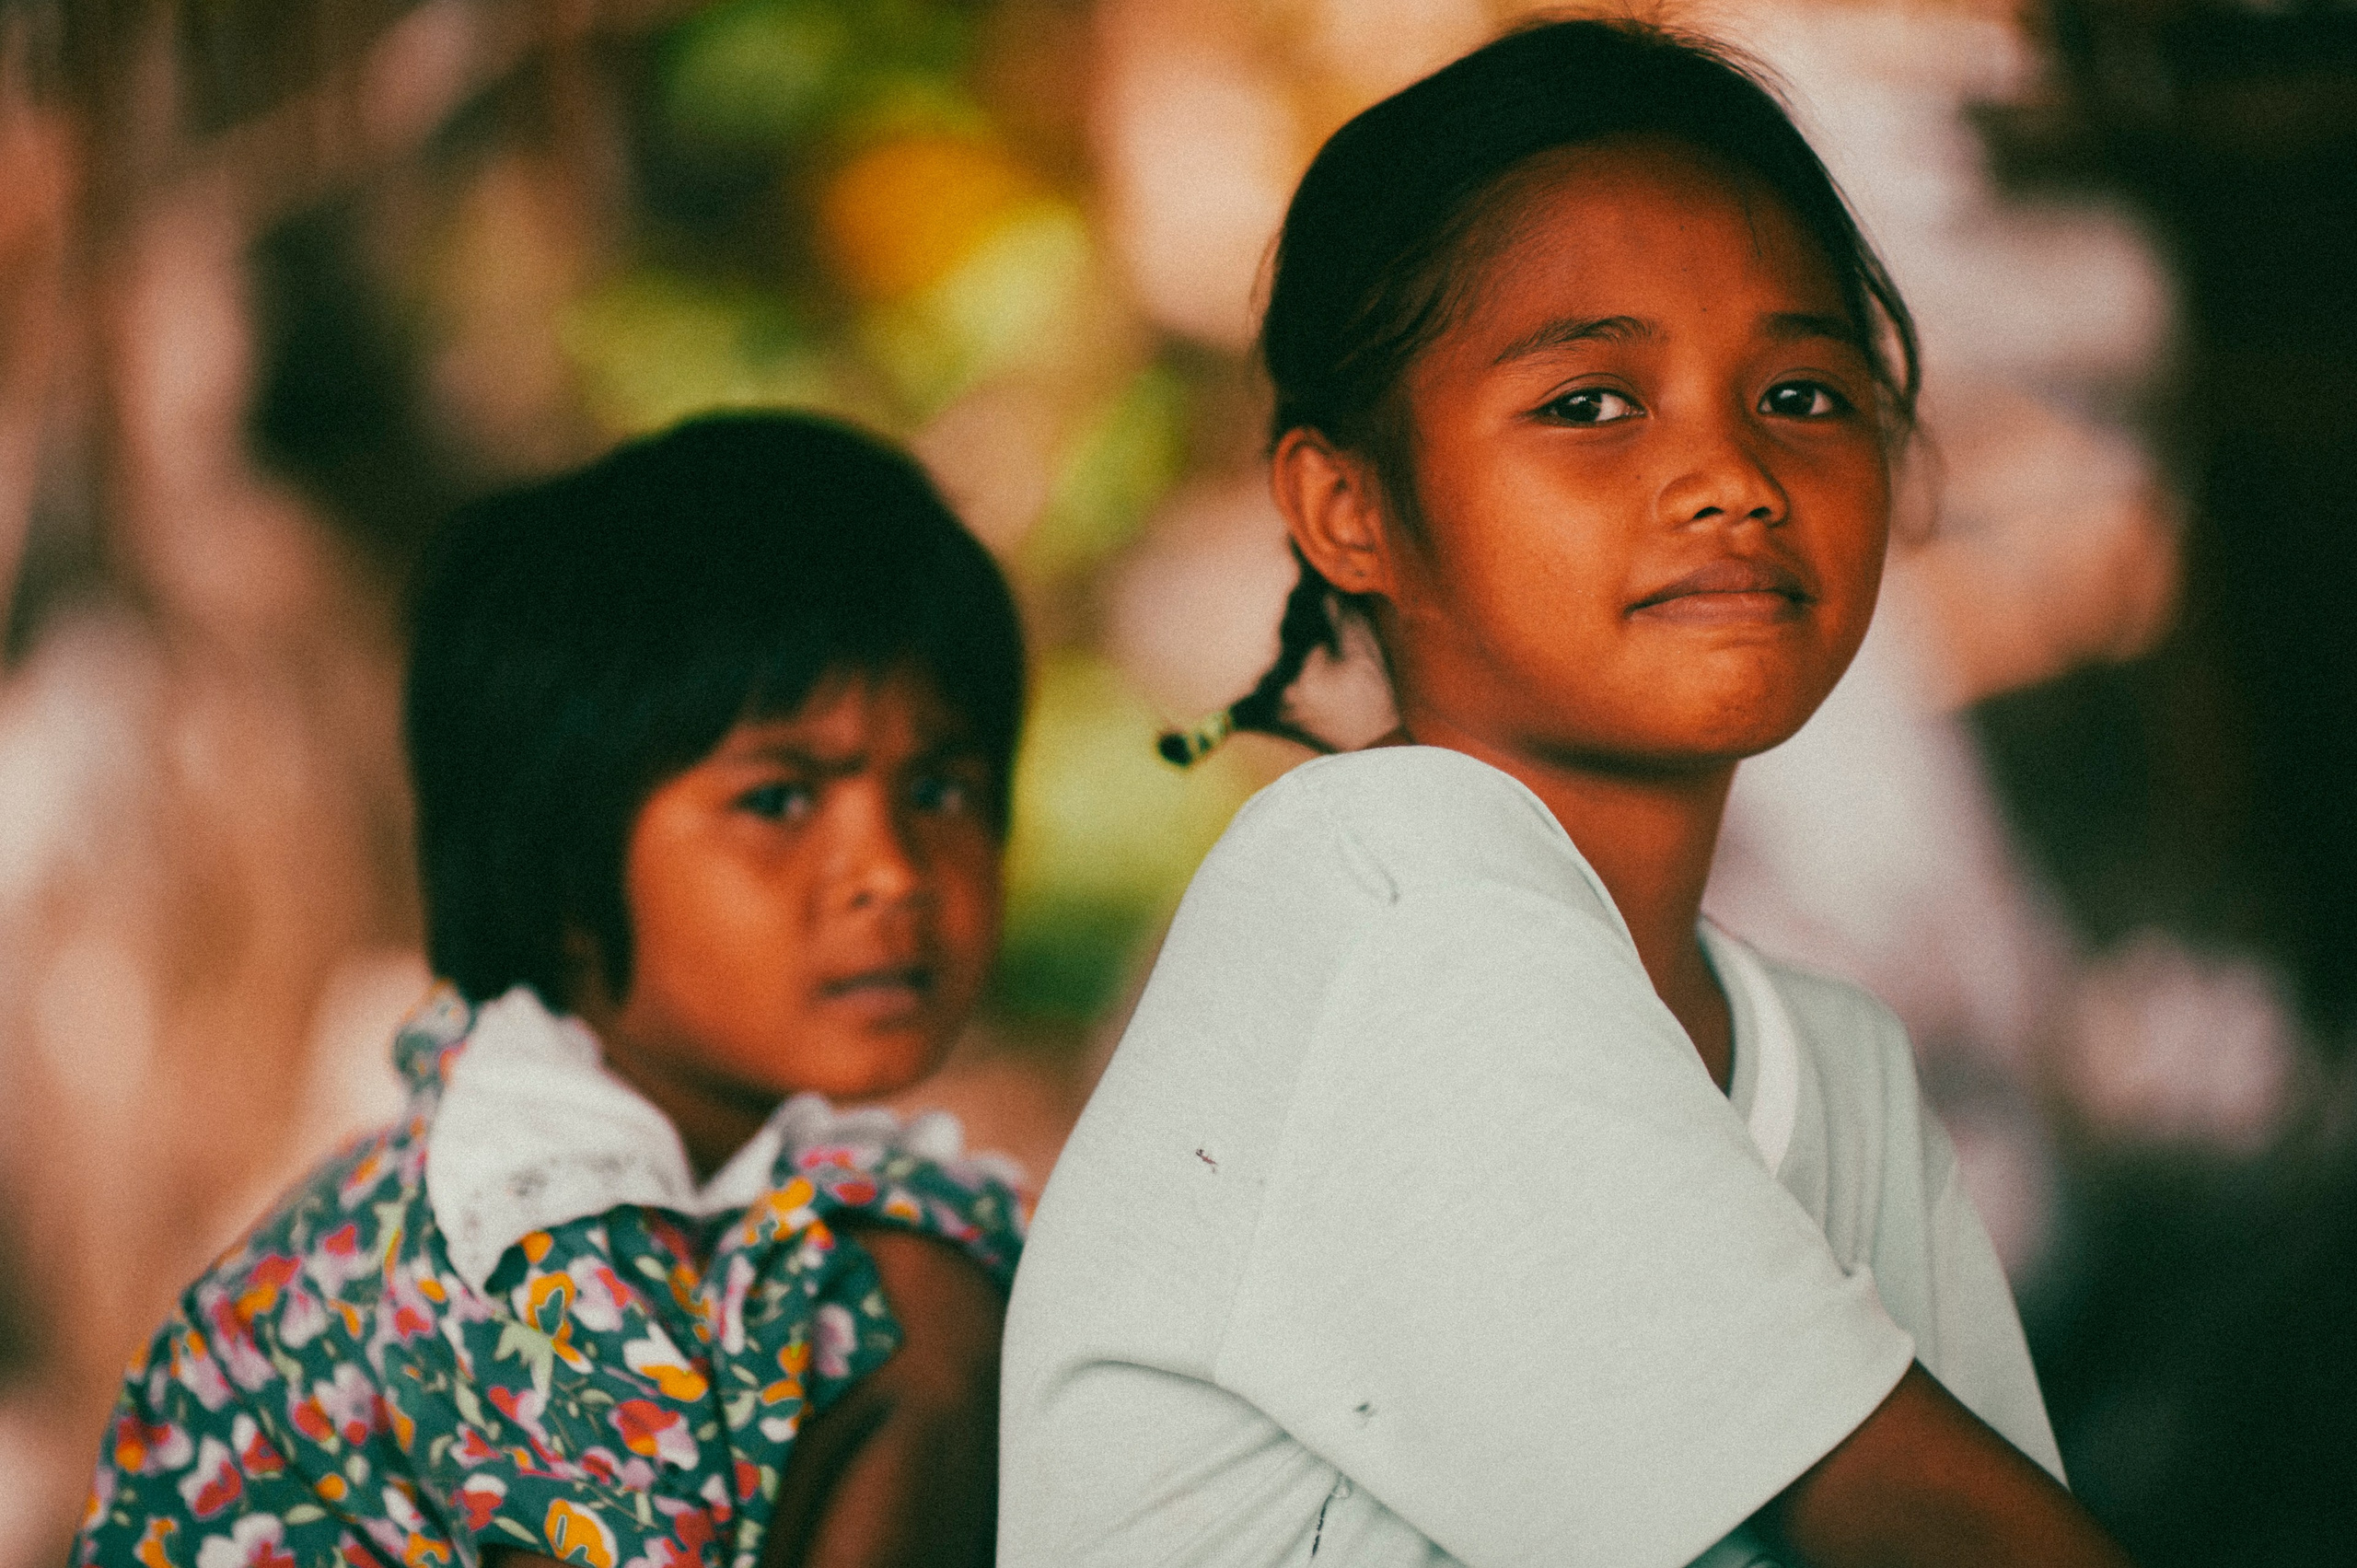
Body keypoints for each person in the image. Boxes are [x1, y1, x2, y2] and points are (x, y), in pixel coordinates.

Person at [1001, 19, 2134, 1568]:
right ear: (1348, 509)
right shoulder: (1384, 904)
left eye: (1803, 393)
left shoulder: (1843, 1064)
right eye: (1593, 403)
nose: (1731, 471)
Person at [75, 412, 1028, 1568]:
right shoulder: (527, 1231)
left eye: (939, 787)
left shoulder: (752, 1192)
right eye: (779, 799)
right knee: (916, 1314)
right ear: (565, 873)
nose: (889, 873)